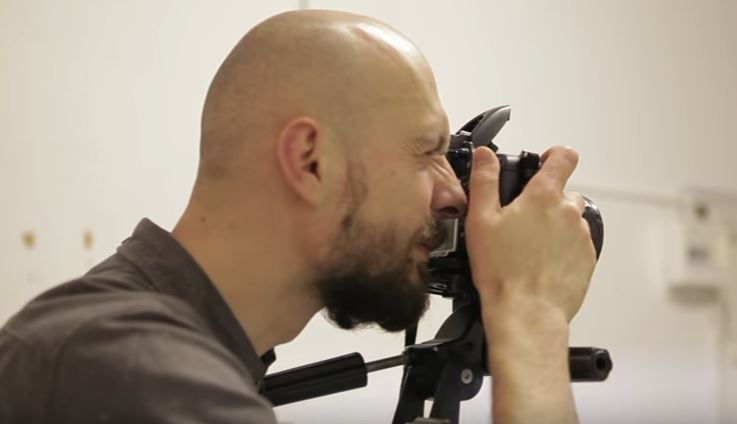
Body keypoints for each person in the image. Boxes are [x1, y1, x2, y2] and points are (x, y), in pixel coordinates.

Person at [0, 9, 596, 424]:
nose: (456, 198)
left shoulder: (140, 350)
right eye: (427, 152)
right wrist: (531, 315)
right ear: (311, 161)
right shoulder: (133, 373)